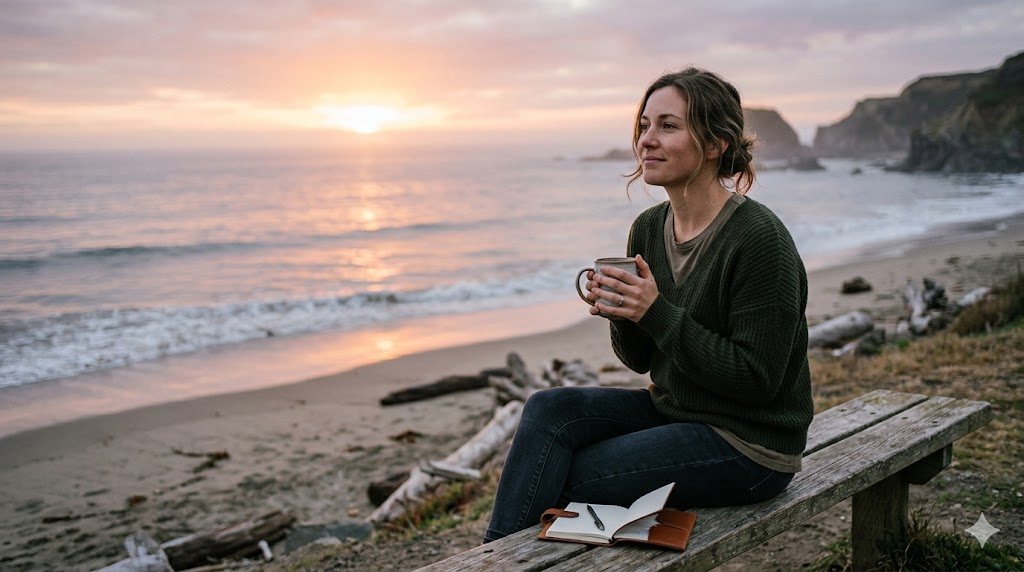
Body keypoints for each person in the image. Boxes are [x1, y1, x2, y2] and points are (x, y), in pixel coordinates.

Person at [482, 67, 813, 543]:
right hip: (678, 411)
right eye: (644, 126)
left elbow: (757, 382)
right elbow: (640, 359)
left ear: (716, 143)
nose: (646, 141)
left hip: (751, 445)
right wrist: (623, 313)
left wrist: (652, 311)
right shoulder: (646, 228)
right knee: (549, 408)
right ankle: (498, 557)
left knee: (565, 477)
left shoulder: (759, 239)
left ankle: (496, 559)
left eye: (668, 126)